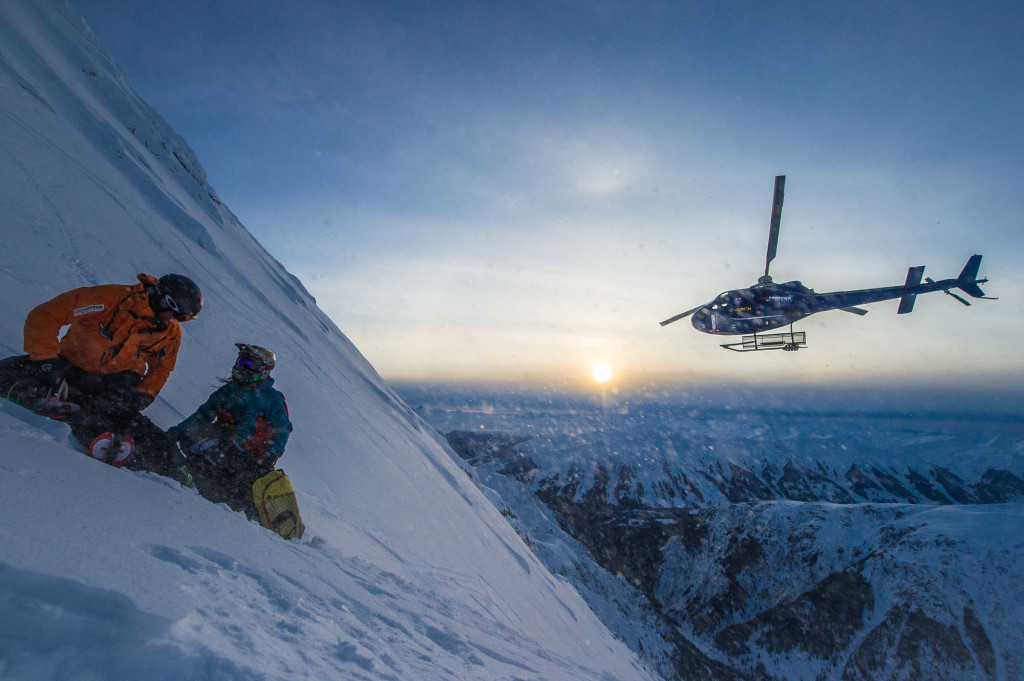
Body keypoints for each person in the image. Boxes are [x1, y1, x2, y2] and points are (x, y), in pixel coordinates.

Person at [0, 273, 202, 480]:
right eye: (172, 308)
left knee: (120, 414)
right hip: (69, 365)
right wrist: (46, 362)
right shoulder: (111, 298)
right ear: (160, 294)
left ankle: (173, 466)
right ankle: (33, 395)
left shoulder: (171, 332)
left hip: (116, 381)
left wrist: (144, 394)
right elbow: (46, 314)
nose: (172, 318)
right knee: (9, 371)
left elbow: (162, 368)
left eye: (182, 317)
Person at [168, 343, 292, 518]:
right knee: (194, 437)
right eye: (241, 361)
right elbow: (202, 415)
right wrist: (177, 431)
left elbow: (283, 429)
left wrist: (270, 457)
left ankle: (217, 492)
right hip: (225, 443)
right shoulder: (228, 391)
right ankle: (193, 476)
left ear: (263, 370)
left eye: (249, 364)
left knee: (229, 469)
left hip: (251, 455)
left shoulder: (270, 397)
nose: (242, 367)